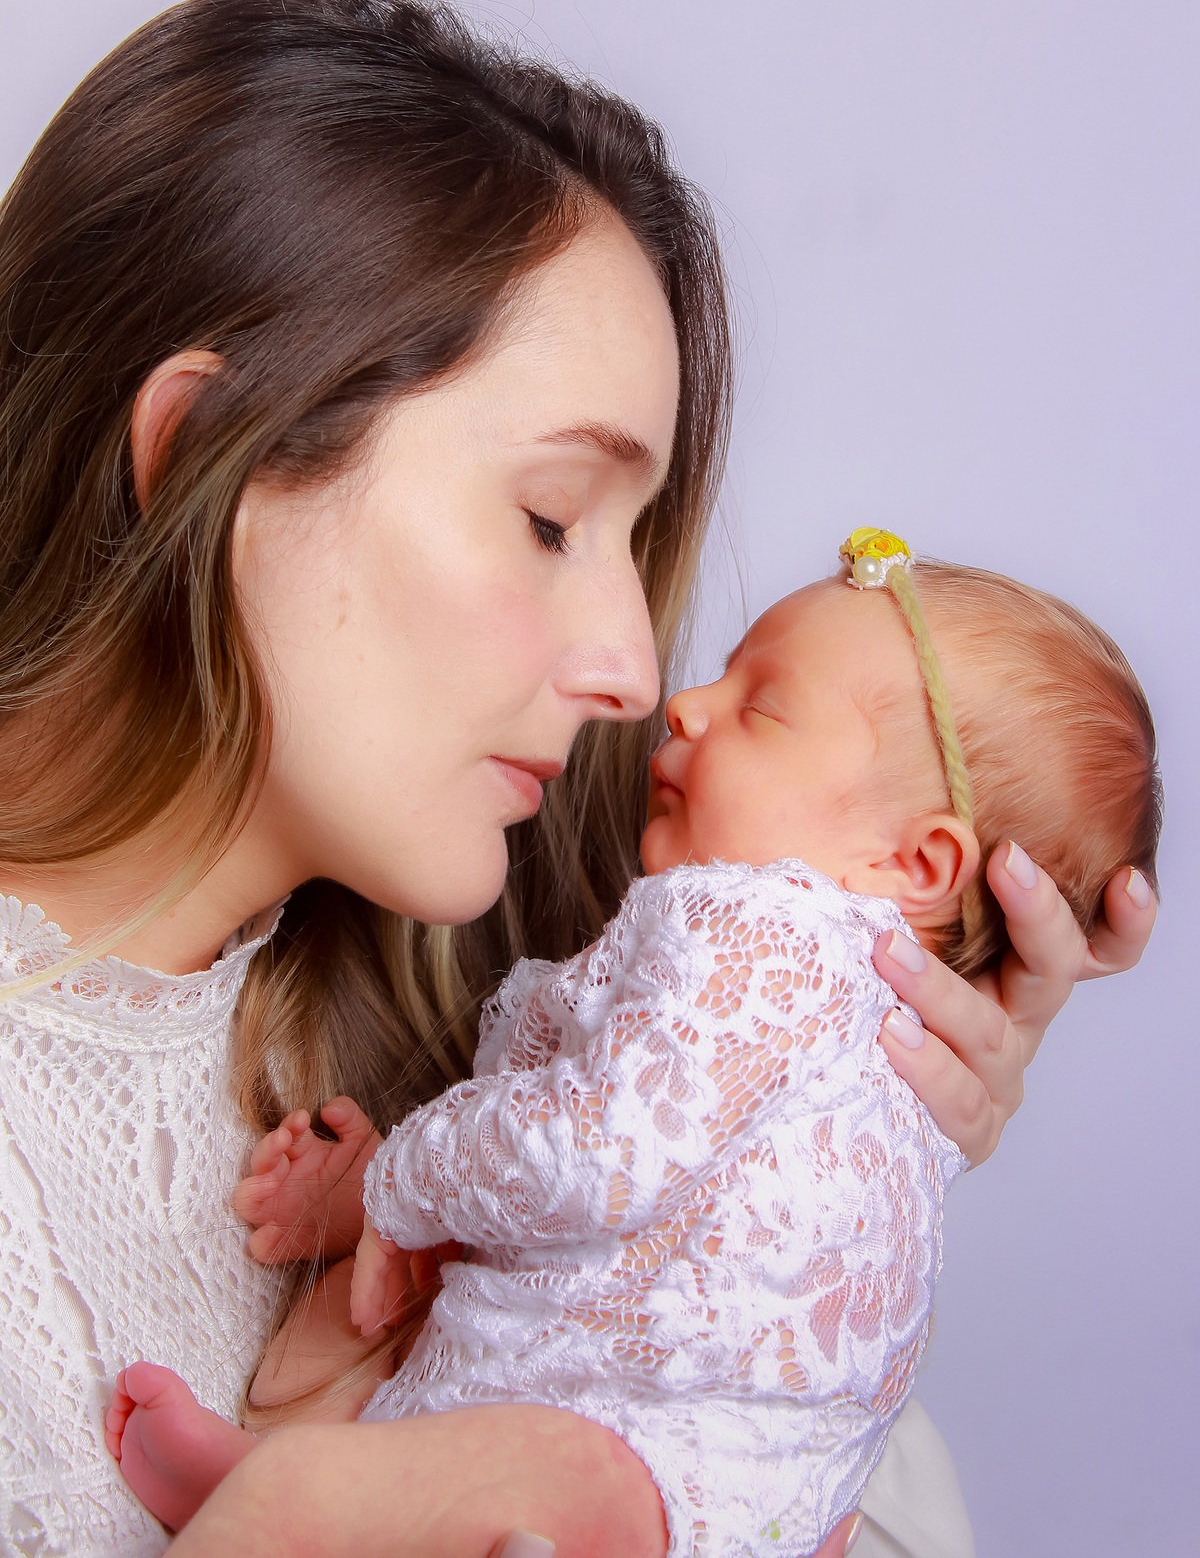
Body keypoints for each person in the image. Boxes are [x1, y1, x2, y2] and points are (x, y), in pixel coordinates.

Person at [0, 0, 1156, 1558]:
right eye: (551, 518)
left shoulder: (547, 1011)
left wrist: (852, 1165)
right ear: (212, 454)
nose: (633, 665)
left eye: (635, 543)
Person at [103, 540, 1160, 1556]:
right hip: (738, 1474)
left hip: (650, 1450)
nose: (684, 702)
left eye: (762, 705)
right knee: (407, 1407)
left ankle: (280, 1500)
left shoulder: (767, 929)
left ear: (918, 859)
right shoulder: (894, 1029)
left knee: (366, 1457)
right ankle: (282, 1484)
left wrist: (399, 1172)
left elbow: (598, 1151)